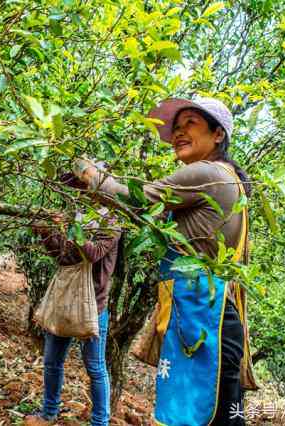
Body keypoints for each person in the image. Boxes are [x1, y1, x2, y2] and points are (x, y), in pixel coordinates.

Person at [74, 97, 258, 425]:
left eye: (190, 123)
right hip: (211, 320)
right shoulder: (225, 177)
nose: (178, 132)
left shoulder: (207, 172)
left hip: (205, 322)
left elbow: (136, 197)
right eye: (176, 126)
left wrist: (87, 171)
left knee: (201, 415)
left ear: (218, 135)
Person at [25, 174, 121, 426]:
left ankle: (100, 422)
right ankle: (48, 412)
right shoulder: (76, 217)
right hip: (66, 301)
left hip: (93, 305)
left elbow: (92, 254)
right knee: (52, 361)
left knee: (95, 367)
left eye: (83, 185)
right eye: (76, 186)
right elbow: (63, 258)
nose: (78, 191)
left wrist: (68, 228)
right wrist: (47, 233)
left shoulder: (111, 222)